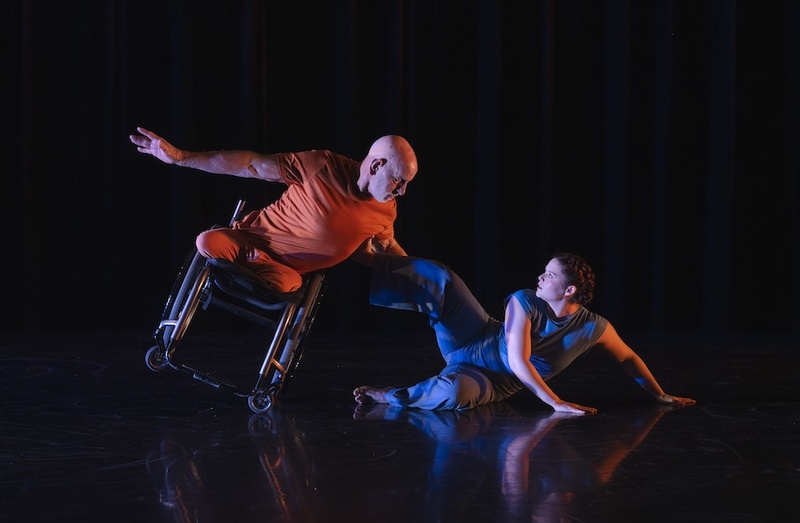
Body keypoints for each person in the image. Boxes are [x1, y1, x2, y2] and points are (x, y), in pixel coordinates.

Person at [353, 253, 696, 413]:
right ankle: (376, 257)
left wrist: (659, 394)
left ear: (569, 291)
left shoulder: (593, 327)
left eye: (550, 275)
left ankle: (391, 396)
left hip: (488, 379)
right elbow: (518, 358)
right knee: (442, 278)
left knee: (456, 394)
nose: (541, 277)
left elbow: (628, 357)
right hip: (473, 335)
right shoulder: (524, 300)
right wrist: (555, 402)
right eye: (543, 271)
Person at [129, 127, 418, 292]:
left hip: (282, 271)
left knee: (287, 285)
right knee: (206, 240)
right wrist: (180, 158)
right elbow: (250, 165)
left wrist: (419, 275)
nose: (402, 191)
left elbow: (381, 248)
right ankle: (242, 253)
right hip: (252, 240)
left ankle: (252, 267)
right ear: (377, 165)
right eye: (399, 180)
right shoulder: (323, 165)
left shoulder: (386, 211)